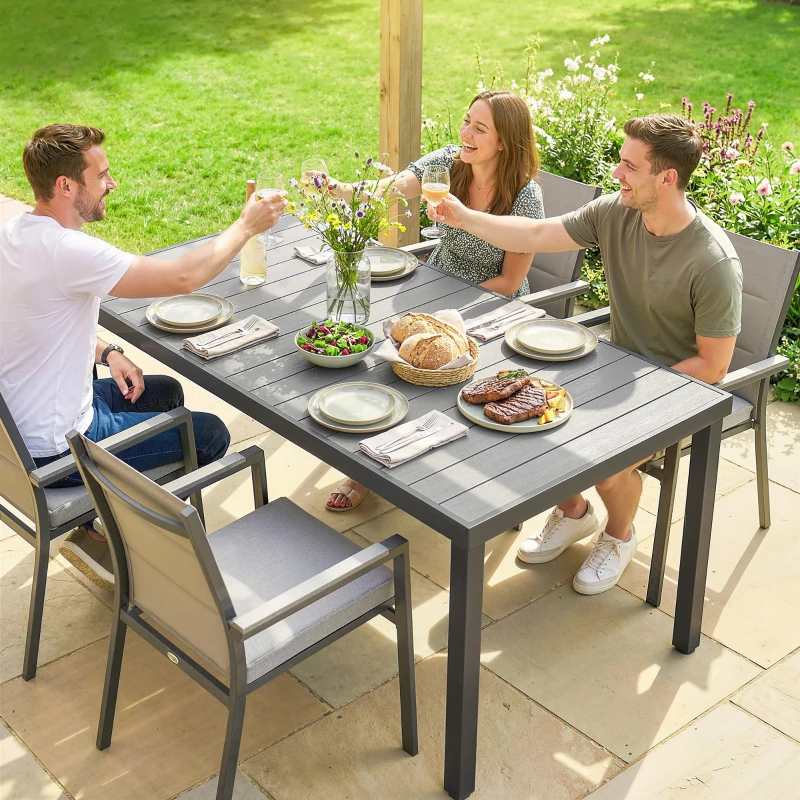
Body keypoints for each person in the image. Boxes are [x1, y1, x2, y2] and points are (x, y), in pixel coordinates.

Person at [429, 112, 743, 595]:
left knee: (609, 458)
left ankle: (619, 536)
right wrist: (464, 216)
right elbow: (535, 235)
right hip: (613, 364)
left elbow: (715, 365)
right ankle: (574, 512)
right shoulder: (618, 211)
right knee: (522, 407)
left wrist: (638, 399)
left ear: (668, 177)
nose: (616, 174)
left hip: (680, 387)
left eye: (629, 166)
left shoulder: (712, 261)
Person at [0, 124, 287, 589]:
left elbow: (31, 316)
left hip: (20, 427)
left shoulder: (16, 234)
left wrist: (106, 350)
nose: (112, 184)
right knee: (209, 435)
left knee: (165, 392)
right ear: (66, 185)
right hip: (57, 450)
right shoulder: (66, 249)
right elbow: (180, 279)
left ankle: (108, 520)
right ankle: (106, 538)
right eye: (102, 175)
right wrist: (246, 226)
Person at [325, 89, 544, 511]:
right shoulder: (450, 164)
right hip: (438, 286)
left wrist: (452, 319)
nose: (465, 133)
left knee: (425, 370)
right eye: (466, 121)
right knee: (388, 362)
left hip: (491, 307)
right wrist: (345, 191)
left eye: (480, 129)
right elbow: (397, 187)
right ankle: (370, 465)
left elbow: (511, 280)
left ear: (504, 141)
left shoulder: (524, 197)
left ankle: (407, 467)